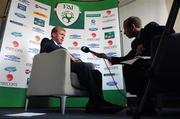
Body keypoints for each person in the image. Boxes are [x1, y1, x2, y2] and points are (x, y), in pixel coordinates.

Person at [40, 26, 124, 114]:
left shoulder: (61, 48)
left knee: (96, 73)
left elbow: (64, 53)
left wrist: (76, 59)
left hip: (66, 67)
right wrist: (71, 56)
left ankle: (96, 103)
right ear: (53, 34)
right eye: (61, 34)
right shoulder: (46, 41)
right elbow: (53, 48)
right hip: (56, 69)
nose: (63, 37)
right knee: (83, 67)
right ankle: (97, 103)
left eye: (64, 35)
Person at [95, 16, 168, 114]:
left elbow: (169, 30)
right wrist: (107, 57)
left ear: (132, 27)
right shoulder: (134, 43)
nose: (124, 32)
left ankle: (146, 104)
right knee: (128, 68)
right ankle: (144, 103)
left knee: (137, 67)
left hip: (161, 64)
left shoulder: (151, 27)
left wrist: (145, 44)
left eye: (125, 29)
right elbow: (127, 58)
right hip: (145, 66)